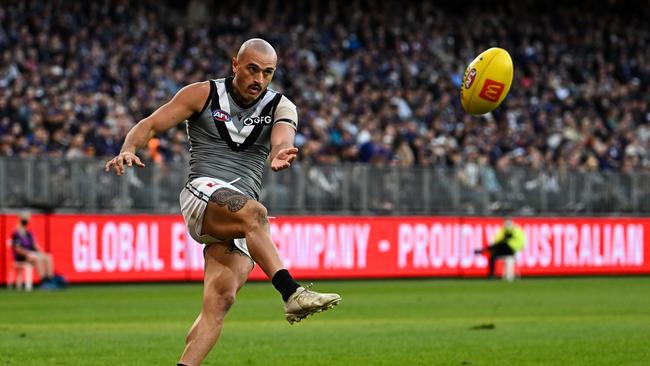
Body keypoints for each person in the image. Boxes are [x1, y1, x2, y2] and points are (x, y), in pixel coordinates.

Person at [104, 38, 341, 366]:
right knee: (257, 214)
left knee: (220, 302)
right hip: (202, 195)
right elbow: (150, 125)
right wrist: (129, 148)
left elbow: (282, 137)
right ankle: (292, 292)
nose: (259, 79)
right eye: (252, 69)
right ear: (235, 65)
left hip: (239, 217)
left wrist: (279, 152)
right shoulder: (202, 94)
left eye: (268, 73)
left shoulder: (280, 106)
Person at [10, 212, 63, 289]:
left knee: (48, 257)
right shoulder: (16, 233)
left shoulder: (29, 232)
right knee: (36, 258)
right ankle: (44, 281)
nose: (28, 221)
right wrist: (28, 254)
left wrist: (42, 253)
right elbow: (18, 249)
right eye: (27, 219)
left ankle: (50, 279)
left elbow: (35, 245)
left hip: (31, 254)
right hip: (21, 256)